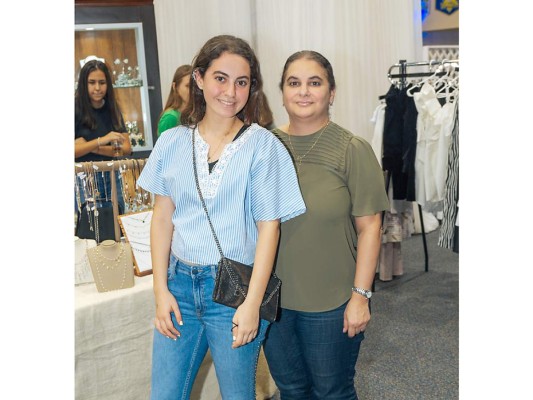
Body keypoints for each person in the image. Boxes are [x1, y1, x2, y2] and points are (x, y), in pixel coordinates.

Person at [137, 35, 306, 400]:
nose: (231, 91)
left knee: (237, 396)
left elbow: (269, 228)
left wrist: (251, 304)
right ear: (199, 79)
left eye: (242, 82)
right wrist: (160, 290)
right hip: (179, 286)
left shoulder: (263, 146)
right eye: (220, 78)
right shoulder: (172, 142)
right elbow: (162, 218)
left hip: (234, 292)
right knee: (164, 395)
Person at [262, 50, 389, 399]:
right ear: (282, 91)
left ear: (331, 93)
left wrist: (360, 297)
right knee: (290, 390)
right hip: (273, 301)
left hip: (332, 303)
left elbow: (370, 229)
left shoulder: (352, 149)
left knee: (331, 392)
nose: (304, 91)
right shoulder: (263, 146)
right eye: (294, 83)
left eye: (314, 83)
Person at [75, 57, 132, 213]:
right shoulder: (75, 109)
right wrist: (104, 140)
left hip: (111, 176)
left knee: (116, 224)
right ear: (83, 84)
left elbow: (126, 148)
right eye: (92, 82)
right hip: (83, 178)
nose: (97, 88)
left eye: (102, 82)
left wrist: (89, 146)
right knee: (89, 228)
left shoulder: (112, 109)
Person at [157, 64, 193, 136]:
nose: (192, 90)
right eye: (188, 86)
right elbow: (164, 146)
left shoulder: (195, 114)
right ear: (175, 87)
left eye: (195, 86)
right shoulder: (170, 118)